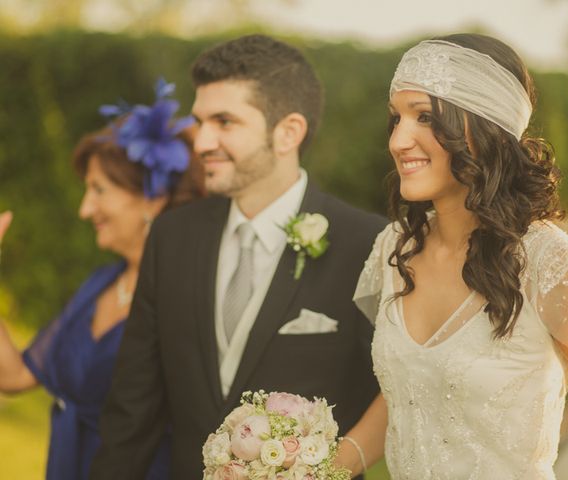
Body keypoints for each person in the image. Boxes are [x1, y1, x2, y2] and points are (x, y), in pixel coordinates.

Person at [336, 33, 568, 478]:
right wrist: (315, 468)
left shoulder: (557, 268)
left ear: (484, 129)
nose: (399, 140)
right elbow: (414, 391)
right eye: (396, 118)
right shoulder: (394, 247)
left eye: (424, 117)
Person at [90, 34, 384, 480]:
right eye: (200, 121)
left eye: (224, 122)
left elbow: (396, 394)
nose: (202, 141)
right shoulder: (171, 237)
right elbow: (131, 412)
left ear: (288, 132)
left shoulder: (367, 244)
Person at [0, 79, 204, 480]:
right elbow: (15, 376)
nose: (84, 209)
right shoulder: (101, 283)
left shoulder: (187, 299)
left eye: (98, 190)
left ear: (153, 197)